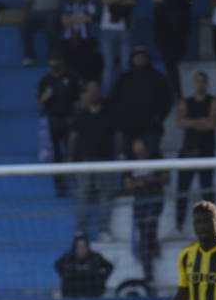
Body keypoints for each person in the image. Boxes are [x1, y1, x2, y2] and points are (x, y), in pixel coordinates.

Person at [68, 80, 116, 238]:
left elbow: (118, 135)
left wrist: (121, 154)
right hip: (84, 161)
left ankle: (103, 230)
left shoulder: (109, 114)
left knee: (105, 195)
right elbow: (73, 137)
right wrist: (70, 157)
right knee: (82, 194)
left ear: (100, 93)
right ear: (86, 93)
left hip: (105, 160)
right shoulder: (80, 115)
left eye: (96, 90)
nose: (94, 93)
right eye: (90, 90)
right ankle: (80, 230)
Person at [175, 71, 216, 231]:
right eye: (197, 81)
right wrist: (200, 121)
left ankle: (212, 223)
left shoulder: (213, 101)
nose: (200, 84)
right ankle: (179, 223)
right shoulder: (186, 102)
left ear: (207, 83)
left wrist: (192, 122)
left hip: (206, 151)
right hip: (187, 151)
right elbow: (180, 122)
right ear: (193, 83)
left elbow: (211, 124)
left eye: (203, 81)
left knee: (207, 188)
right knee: (182, 189)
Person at [109, 46, 172, 155]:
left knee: (152, 157)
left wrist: (158, 117)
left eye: (142, 56)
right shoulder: (124, 79)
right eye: (137, 57)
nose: (139, 59)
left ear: (147, 58)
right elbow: (114, 102)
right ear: (132, 59)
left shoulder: (157, 78)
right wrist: (119, 124)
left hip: (151, 128)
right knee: (128, 161)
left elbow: (167, 100)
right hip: (128, 129)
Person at [151, 0, 198, 97]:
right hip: (164, 23)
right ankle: (176, 90)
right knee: (169, 57)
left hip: (182, 23)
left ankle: (177, 88)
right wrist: (175, 3)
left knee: (178, 56)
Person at [121, 137, 167, 284]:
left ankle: (149, 267)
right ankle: (148, 270)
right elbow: (127, 185)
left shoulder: (156, 159)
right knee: (144, 233)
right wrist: (142, 181)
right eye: (135, 145)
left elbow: (166, 178)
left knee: (149, 229)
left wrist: (150, 180)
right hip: (140, 202)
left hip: (156, 199)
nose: (138, 148)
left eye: (140, 144)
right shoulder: (130, 162)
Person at [98, 0, 140, 91]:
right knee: (108, 65)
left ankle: (127, 93)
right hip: (108, 26)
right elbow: (105, 1)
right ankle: (105, 96)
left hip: (125, 26)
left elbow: (133, 1)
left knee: (125, 64)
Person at [38, 53, 80, 187]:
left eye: (56, 60)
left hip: (69, 119)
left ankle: (76, 182)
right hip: (52, 120)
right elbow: (39, 101)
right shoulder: (45, 80)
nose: (54, 63)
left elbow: (79, 97)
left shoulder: (71, 78)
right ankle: (59, 184)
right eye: (51, 60)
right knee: (55, 154)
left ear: (61, 61)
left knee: (73, 151)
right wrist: (45, 97)